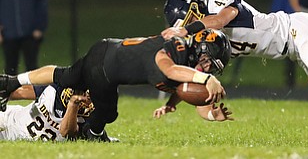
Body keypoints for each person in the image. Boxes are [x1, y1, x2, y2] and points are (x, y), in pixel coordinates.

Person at [0, 30, 232, 141]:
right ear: (201, 48)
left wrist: (205, 113)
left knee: (65, 75)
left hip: (103, 49)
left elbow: (185, 90)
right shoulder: (178, 47)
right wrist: (207, 80)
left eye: (212, 68)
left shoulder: (186, 65)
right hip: (106, 70)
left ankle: (10, 81)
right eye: (209, 62)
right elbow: (168, 69)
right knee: (107, 112)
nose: (208, 68)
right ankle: (94, 134)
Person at [161, 0, 308, 112]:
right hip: (293, 50)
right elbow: (196, 76)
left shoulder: (217, 0)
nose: (191, 29)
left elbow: (220, 20)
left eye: (190, 21)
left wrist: (186, 30)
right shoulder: (207, 42)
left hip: (298, 29)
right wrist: (172, 102)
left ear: (196, 8)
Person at [0, 84, 96, 141]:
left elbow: (66, 132)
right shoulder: (56, 89)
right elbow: (22, 92)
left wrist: (73, 104)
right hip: (9, 118)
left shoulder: (89, 118)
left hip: (19, 137)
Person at [0, 0, 48, 75]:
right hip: (8, 32)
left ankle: (33, 91)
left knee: (32, 69)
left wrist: (39, 26)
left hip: (30, 32)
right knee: (10, 69)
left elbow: (42, 1)